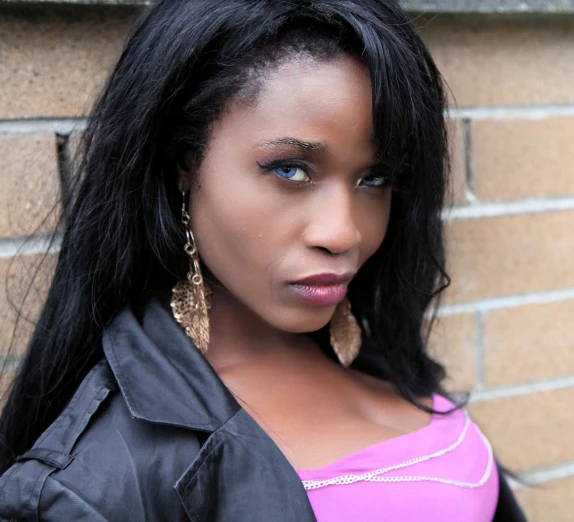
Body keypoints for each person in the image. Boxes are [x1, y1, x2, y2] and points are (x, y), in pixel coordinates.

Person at [0, 0, 526, 520]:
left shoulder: (381, 364)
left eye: (374, 179)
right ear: (185, 163)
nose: (342, 232)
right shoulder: (95, 486)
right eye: (290, 171)